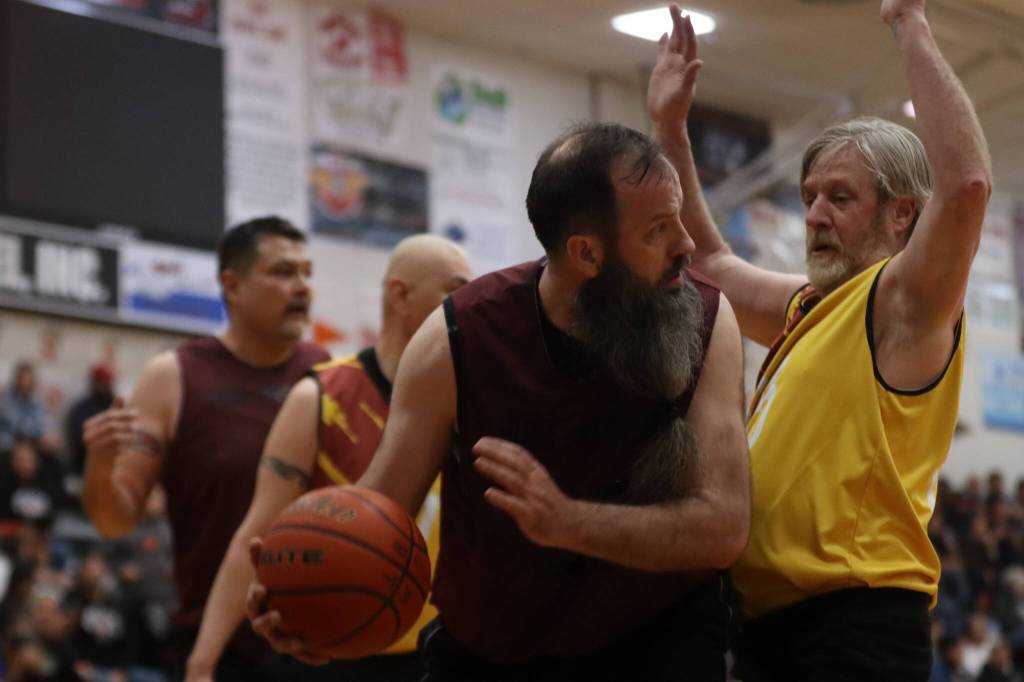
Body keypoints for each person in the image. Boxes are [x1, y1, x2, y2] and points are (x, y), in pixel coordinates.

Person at [249, 122, 751, 681]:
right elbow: (381, 509)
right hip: (493, 650)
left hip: (654, 642)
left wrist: (568, 521)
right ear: (587, 253)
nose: (686, 244)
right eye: (659, 229)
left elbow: (723, 528)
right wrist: (306, 597)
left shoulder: (707, 318)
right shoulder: (458, 335)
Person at [645, 1, 992, 679]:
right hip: (771, 629)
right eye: (809, 197)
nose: (814, 217)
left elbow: (970, 184)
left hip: (853, 627)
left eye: (839, 197)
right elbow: (709, 264)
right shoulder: (808, 305)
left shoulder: (904, 303)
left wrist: (909, 24)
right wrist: (669, 129)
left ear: (902, 216)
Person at [185, 234, 473, 682]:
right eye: (456, 291)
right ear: (401, 295)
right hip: (336, 652)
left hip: (438, 653)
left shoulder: (477, 400)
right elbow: (254, 535)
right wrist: (202, 663)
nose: (470, 307)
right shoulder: (319, 396)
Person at [81, 216, 330, 679]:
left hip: (315, 639)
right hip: (212, 647)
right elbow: (115, 520)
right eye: (283, 272)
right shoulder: (172, 376)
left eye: (307, 273)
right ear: (232, 286)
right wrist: (100, 464)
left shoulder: (331, 373)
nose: (302, 287)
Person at [64, 364, 116, 478]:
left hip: (112, 467)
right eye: (103, 382)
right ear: (95, 383)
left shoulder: (115, 406)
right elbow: (78, 438)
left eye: (108, 382)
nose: (107, 385)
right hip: (83, 467)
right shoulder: (81, 408)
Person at [0, 362, 48, 452]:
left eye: (29, 378)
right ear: (17, 379)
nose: (26, 382)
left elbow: (40, 424)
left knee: (51, 453)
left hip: (32, 442)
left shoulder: (36, 398)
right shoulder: (7, 398)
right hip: (10, 442)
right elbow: (14, 422)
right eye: (24, 378)